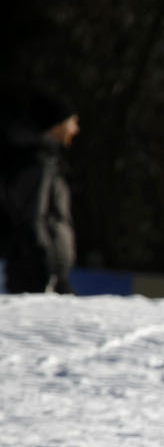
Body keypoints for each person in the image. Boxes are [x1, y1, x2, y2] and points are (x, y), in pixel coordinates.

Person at [1, 87, 78, 295]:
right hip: (36, 271)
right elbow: (31, 218)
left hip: (43, 269)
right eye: (71, 122)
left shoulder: (46, 159)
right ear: (55, 124)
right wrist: (46, 269)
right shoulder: (36, 161)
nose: (75, 129)